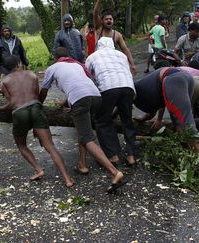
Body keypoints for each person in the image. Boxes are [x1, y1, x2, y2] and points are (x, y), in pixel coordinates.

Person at [39, 47, 125, 193]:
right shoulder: (77, 64)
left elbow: (44, 90)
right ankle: (83, 165)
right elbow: (81, 85)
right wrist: (66, 102)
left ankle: (115, 172)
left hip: (80, 100)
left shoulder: (53, 67)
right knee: (83, 132)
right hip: (96, 97)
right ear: (67, 56)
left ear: (55, 58)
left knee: (87, 138)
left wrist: (38, 104)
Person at [0, 56, 73, 187]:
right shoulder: (32, 74)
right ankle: (67, 179)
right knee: (50, 147)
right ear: (19, 64)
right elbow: (37, 97)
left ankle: (38, 169)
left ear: (6, 69)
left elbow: (11, 104)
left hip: (20, 113)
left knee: (21, 145)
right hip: (36, 108)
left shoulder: (4, 81)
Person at [133, 67, 199, 177]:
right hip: (185, 77)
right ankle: (192, 155)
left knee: (186, 123)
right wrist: (145, 118)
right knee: (179, 123)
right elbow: (156, 106)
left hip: (173, 79)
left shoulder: (133, 90)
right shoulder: (145, 91)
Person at [85, 38, 136, 166]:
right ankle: (131, 156)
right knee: (127, 121)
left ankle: (113, 156)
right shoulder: (122, 55)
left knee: (102, 120)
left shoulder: (92, 57)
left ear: (98, 46)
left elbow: (89, 78)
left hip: (108, 88)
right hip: (128, 87)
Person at [94, 0, 136, 74]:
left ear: (113, 21)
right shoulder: (99, 29)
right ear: (102, 21)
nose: (108, 20)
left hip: (112, 63)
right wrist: (99, 1)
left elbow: (125, 50)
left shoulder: (117, 35)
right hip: (99, 63)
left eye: (110, 19)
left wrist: (132, 64)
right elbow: (95, 13)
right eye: (106, 19)